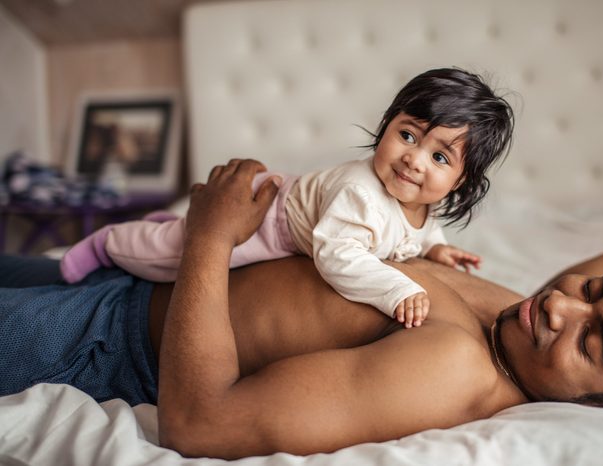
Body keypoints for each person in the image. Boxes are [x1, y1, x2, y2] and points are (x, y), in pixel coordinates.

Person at [1, 160, 603, 460]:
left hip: (101, 339)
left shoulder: (452, 366)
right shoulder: (525, 315)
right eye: (592, 291)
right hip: (127, 277)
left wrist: (212, 235)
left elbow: (200, 424)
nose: (563, 305)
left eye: (592, 343)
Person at [59, 67, 515, 328]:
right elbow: (337, 258)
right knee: (172, 256)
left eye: (439, 157)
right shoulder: (361, 193)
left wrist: (435, 247)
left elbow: (416, 225)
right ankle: (110, 242)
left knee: (175, 242)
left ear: (459, 182)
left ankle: (159, 224)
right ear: (388, 124)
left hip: (297, 203)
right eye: (409, 135)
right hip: (268, 220)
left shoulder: (421, 200)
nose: (414, 160)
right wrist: (396, 288)